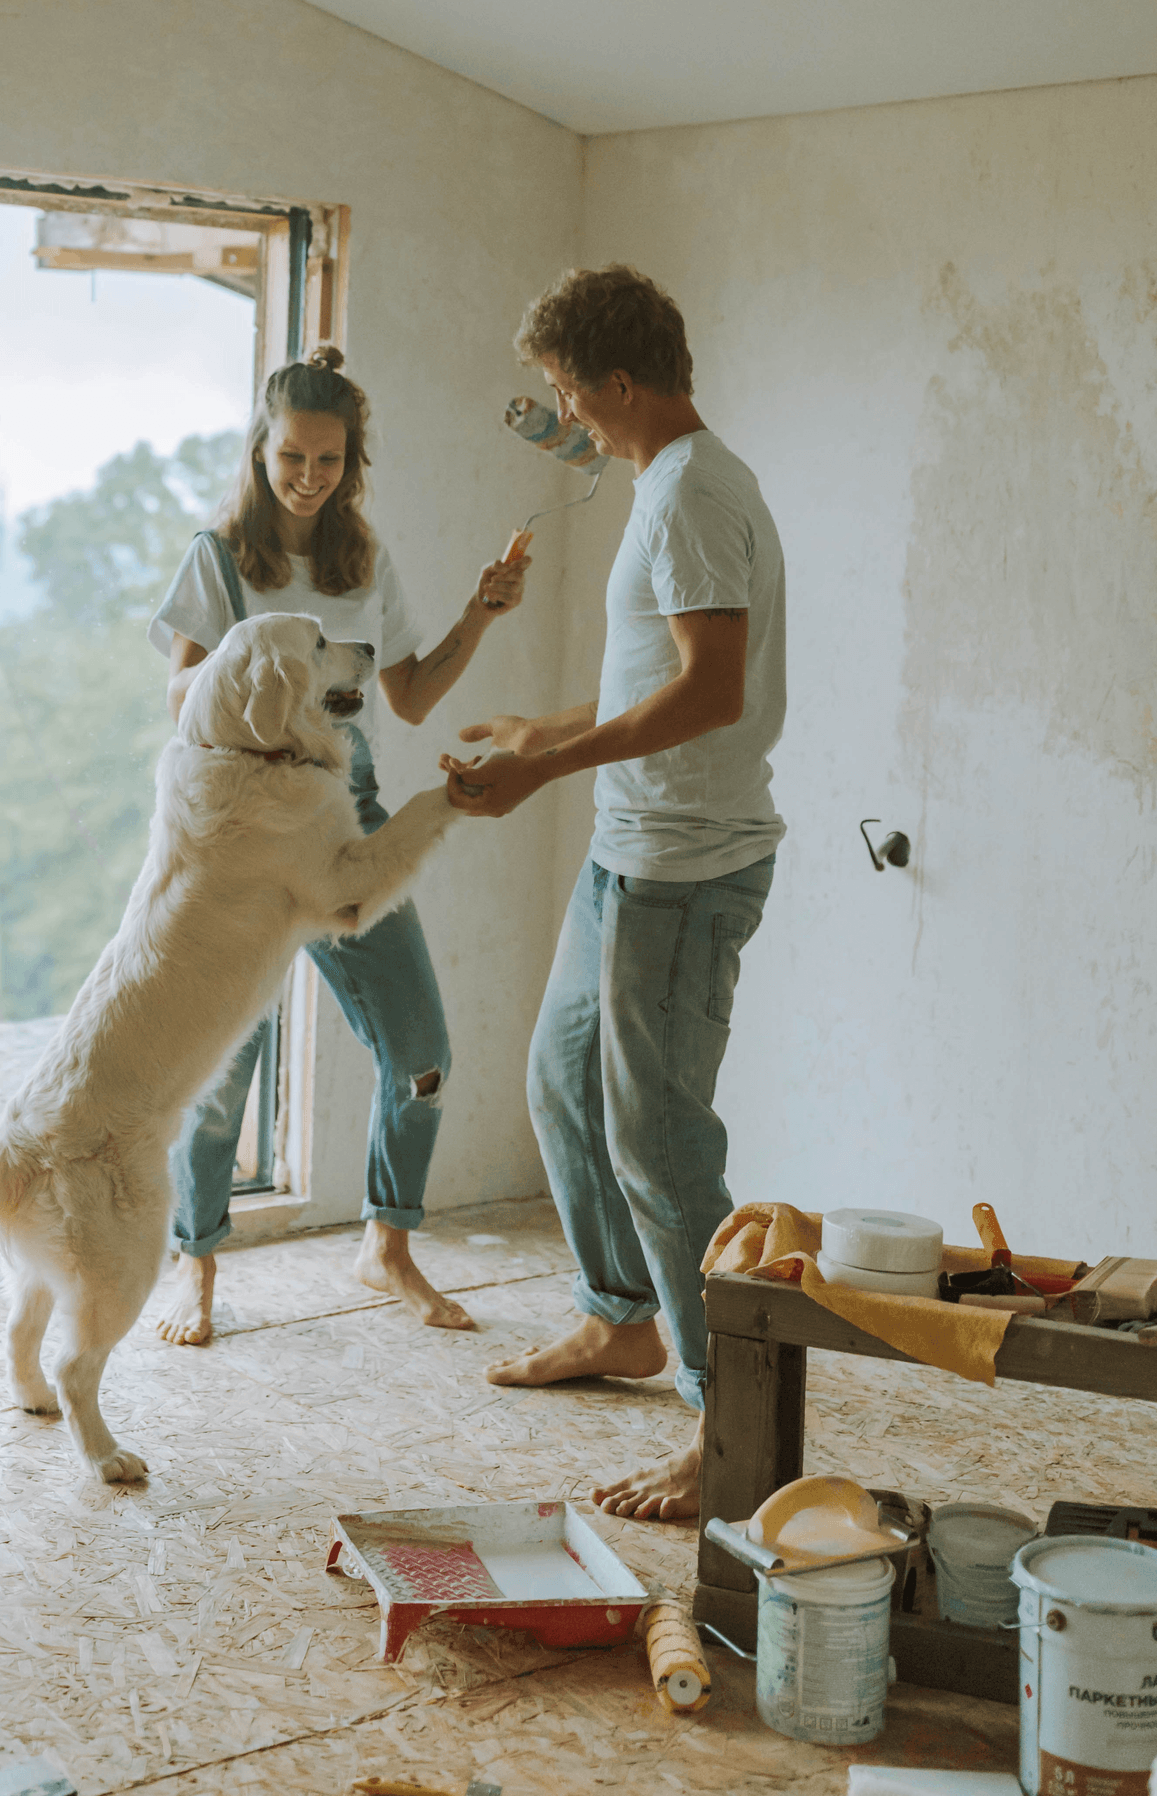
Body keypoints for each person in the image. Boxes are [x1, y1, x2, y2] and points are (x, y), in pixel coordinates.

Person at [442, 267, 787, 1520]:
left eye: (566, 391)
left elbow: (712, 692)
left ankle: (726, 1418)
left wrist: (542, 771)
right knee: (558, 1076)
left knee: (662, 1142)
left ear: (621, 382)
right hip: (627, 850)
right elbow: (661, 677)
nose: (566, 412)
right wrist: (552, 726)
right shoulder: (667, 485)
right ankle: (619, 1318)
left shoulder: (694, 490)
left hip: (684, 869)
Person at [147, 345, 530, 1346]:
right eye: (291, 458)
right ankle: (196, 1262)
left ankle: (387, 1245)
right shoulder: (218, 555)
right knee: (221, 1069)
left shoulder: (366, 559)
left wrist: (479, 617)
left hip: (346, 814)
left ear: (350, 460)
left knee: (422, 1054)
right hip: (242, 827)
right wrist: (272, 668)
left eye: (328, 459)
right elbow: (179, 697)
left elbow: (407, 696)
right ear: (262, 452)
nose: (308, 475)